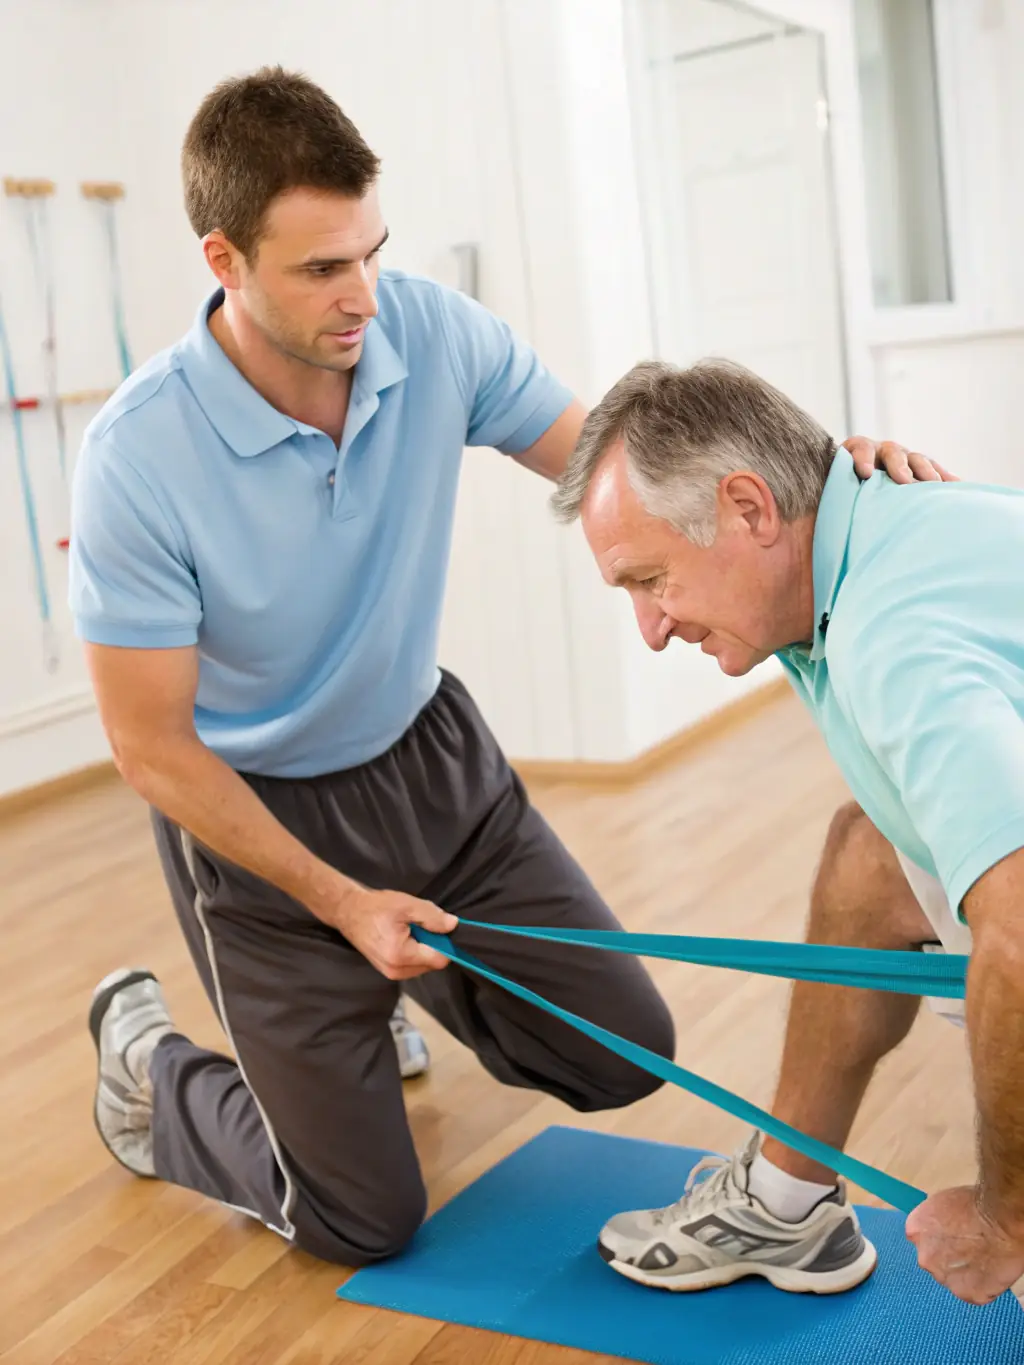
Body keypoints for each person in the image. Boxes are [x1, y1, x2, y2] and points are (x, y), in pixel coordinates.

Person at [71, 68, 938, 1269]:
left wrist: (816, 480)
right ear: (223, 259)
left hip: (428, 768)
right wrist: (341, 904)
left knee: (618, 1050)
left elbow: (619, 464)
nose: (362, 295)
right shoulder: (137, 457)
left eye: (372, 252)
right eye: (322, 269)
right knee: (362, 1223)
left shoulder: (428, 331)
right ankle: (149, 1074)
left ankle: (366, 1007)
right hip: (259, 833)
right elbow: (149, 747)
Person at [552, 355, 1024, 1307]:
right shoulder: (878, 527)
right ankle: (782, 1198)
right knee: (870, 857)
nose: (650, 626)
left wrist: (1009, 1215)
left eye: (652, 579)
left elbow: (1020, 935)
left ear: (749, 507)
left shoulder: (894, 637)